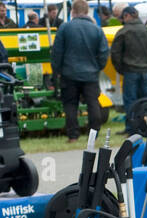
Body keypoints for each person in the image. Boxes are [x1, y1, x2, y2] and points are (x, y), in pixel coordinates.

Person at [51, 0, 108, 142]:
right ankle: (93, 134)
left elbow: (57, 52)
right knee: (93, 103)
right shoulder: (97, 30)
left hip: (69, 73)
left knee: (70, 104)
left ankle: (73, 136)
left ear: (72, 12)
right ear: (87, 11)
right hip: (90, 74)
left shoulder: (64, 28)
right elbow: (103, 53)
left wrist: (56, 71)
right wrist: (97, 67)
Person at [110, 5, 147, 116]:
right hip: (146, 71)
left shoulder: (123, 32)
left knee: (130, 102)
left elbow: (115, 53)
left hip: (130, 71)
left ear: (127, 15)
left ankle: (132, 129)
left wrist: (120, 69)